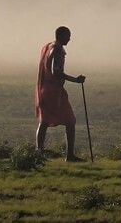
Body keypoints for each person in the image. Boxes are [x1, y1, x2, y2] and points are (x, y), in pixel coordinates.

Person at [35, 25, 86, 161]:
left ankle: (38, 153)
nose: (69, 39)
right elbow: (55, 71)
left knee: (44, 122)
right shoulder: (56, 49)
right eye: (68, 36)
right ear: (61, 36)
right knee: (70, 121)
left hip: (45, 89)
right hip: (53, 91)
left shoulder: (48, 47)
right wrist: (75, 80)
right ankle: (69, 156)